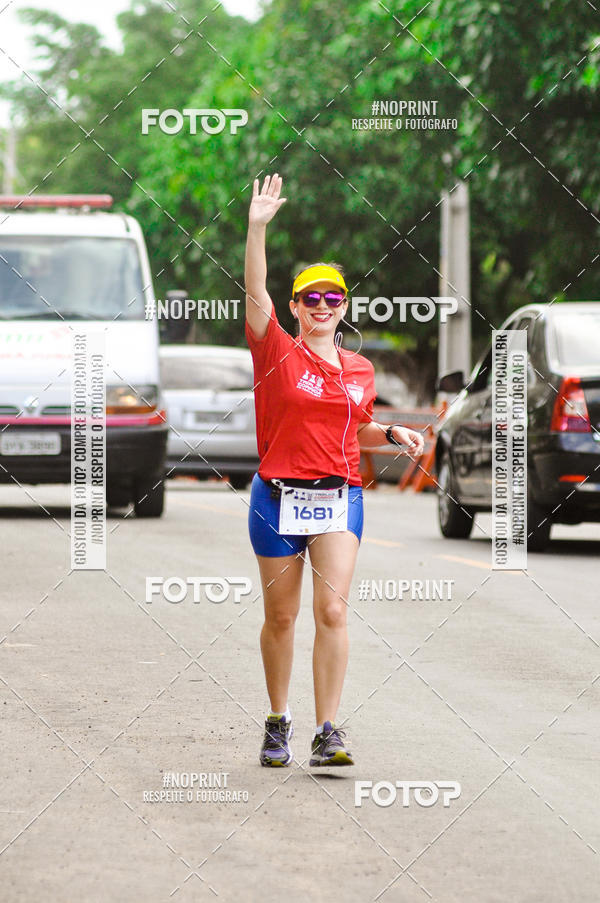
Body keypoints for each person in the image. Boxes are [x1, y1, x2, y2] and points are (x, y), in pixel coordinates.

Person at [244, 173, 424, 767]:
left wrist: (392, 433)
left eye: (333, 298)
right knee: (281, 615)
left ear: (343, 306)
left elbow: (358, 429)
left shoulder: (359, 369)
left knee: (333, 611)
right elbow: (255, 291)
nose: (323, 306)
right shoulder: (275, 349)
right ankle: (278, 720)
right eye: (311, 298)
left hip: (338, 496)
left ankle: (327, 730)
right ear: (294, 307)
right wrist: (257, 227)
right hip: (276, 497)